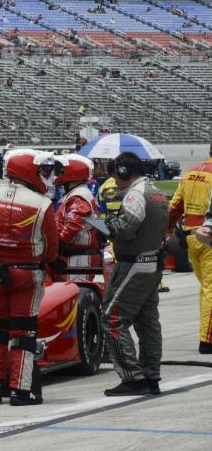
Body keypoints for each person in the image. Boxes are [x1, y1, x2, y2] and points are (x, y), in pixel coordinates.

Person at [0, 149, 59, 406]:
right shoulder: (42, 204)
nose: (42, 176)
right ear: (27, 170)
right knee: (23, 332)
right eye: (39, 171)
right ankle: (20, 389)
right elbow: (52, 247)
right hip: (26, 273)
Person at [102, 152, 167, 396]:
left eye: (117, 177)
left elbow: (128, 229)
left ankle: (132, 377)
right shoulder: (157, 191)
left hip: (134, 264)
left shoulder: (135, 194)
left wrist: (109, 223)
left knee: (112, 318)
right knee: (148, 322)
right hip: (152, 263)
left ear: (124, 172)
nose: (116, 182)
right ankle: (151, 375)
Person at [169, 160, 212, 353]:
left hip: (190, 238)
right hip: (208, 236)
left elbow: (175, 206)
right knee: (210, 290)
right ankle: (207, 340)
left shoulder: (190, 172)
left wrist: (167, 230)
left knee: (206, 289)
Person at [53, 153, 102, 282]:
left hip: (79, 257)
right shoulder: (79, 193)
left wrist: (59, 246)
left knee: (77, 293)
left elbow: (73, 224)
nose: (58, 174)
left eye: (61, 170)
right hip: (77, 254)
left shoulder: (79, 196)